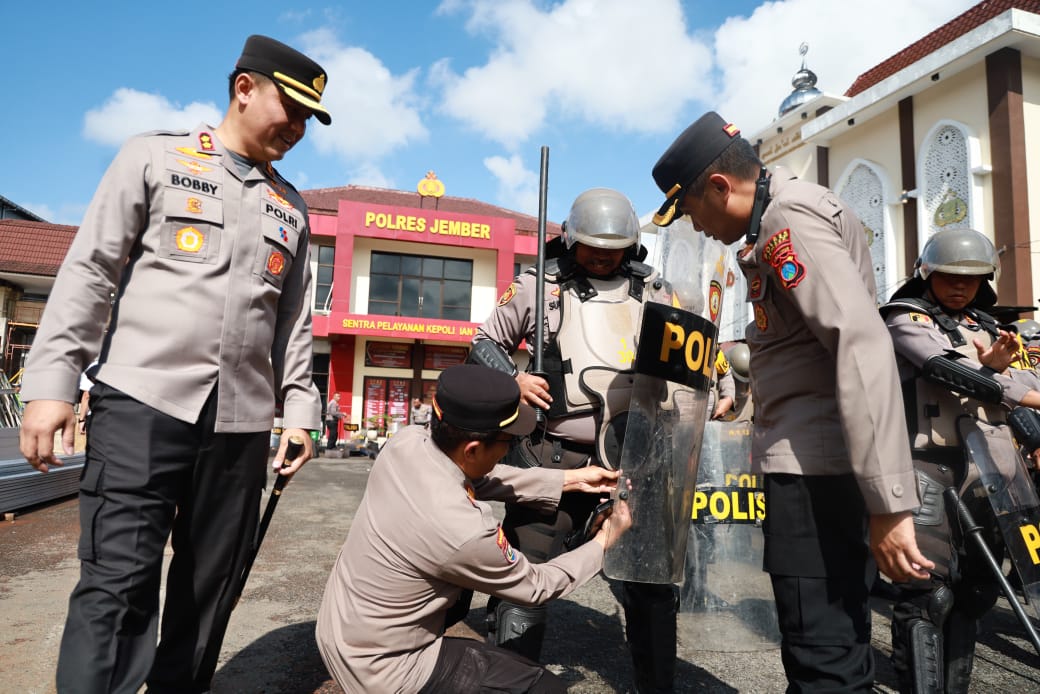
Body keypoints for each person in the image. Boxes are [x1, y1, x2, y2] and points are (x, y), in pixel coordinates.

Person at [17, 34, 328, 694]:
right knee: (117, 585)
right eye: (290, 107)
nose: (298, 127)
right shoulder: (154, 159)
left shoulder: (291, 209)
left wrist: (300, 411)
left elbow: (293, 325)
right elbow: (92, 271)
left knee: (208, 589)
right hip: (141, 407)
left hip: (240, 427)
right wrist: (53, 382)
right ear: (244, 88)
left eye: (310, 118)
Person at [651, 111, 932, 691]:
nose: (697, 228)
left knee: (821, 656)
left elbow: (859, 343)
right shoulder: (776, 220)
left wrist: (889, 503)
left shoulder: (785, 221)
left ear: (721, 187)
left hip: (815, 474)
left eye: (692, 211)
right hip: (818, 464)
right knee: (833, 643)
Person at [471, 187, 683, 693]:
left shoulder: (656, 291)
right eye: (592, 246)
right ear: (569, 239)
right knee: (525, 580)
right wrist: (513, 381)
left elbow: (694, 355)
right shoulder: (537, 287)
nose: (604, 256)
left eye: (614, 248)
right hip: (554, 457)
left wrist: (713, 387)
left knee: (650, 583)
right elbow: (483, 343)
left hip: (635, 458)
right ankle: (512, 682)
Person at [315, 364, 630, 693]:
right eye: (507, 441)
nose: (509, 449)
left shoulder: (407, 443)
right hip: (383, 669)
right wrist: (604, 540)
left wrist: (571, 479)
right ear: (473, 449)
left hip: (339, 629)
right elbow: (536, 585)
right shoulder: (464, 530)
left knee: (459, 589)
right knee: (543, 688)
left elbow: (480, 477)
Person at [880, 228, 1040, 692]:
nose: (959, 285)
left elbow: (1016, 387)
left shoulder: (990, 327)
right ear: (927, 274)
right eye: (949, 275)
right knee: (927, 592)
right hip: (927, 467)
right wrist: (999, 373)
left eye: (970, 278)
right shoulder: (904, 317)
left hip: (990, 473)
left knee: (974, 593)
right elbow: (943, 367)